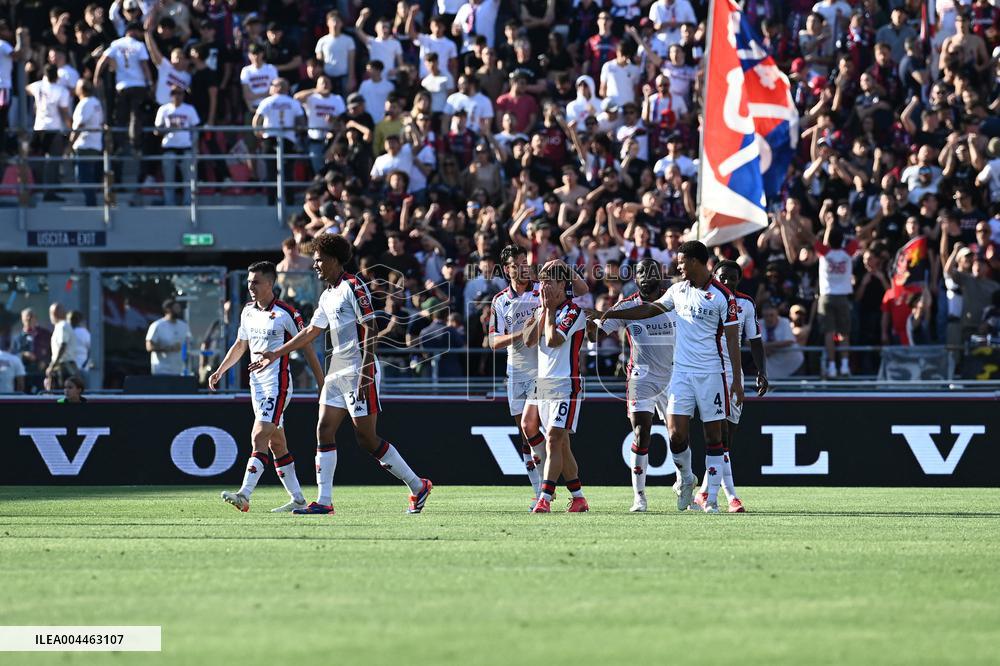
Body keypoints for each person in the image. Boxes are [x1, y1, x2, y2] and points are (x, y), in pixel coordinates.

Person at [248, 233, 433, 515]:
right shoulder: (327, 294)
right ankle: (324, 501)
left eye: (319, 260)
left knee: (367, 439)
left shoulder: (353, 286)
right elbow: (310, 332)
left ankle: (418, 486)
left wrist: (365, 373)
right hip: (338, 368)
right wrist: (276, 352)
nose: (316, 266)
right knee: (323, 429)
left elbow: (371, 328)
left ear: (334, 260)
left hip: (360, 367)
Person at [590, 240, 744, 514]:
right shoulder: (675, 292)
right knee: (673, 435)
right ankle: (678, 482)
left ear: (696, 261)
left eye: (682, 261)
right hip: (669, 375)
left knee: (714, 436)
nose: (678, 266)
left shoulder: (722, 297)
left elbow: (733, 341)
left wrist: (736, 381)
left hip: (708, 373)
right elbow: (647, 310)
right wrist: (605, 314)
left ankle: (709, 499)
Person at [211, 261, 325, 513]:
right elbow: (241, 345)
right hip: (257, 387)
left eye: (256, 282)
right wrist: (221, 369)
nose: (250, 286)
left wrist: (320, 381)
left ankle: (244, 494)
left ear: (270, 283)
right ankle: (298, 499)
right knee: (277, 444)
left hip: (277, 385)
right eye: (249, 281)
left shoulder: (286, 313)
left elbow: (306, 345)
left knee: (258, 435)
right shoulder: (248, 311)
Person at [588, 258, 675, 512]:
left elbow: (649, 311)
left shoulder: (674, 300)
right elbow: (597, 334)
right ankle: (639, 496)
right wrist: (579, 317)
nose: (646, 276)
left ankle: (685, 484)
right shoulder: (626, 304)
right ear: (634, 279)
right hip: (642, 375)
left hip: (673, 374)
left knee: (678, 435)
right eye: (641, 272)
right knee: (641, 431)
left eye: (651, 271)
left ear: (661, 275)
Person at [692, 260, 768, 514]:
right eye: (723, 277)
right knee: (720, 438)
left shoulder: (745, 303)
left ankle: (703, 492)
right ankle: (731, 497)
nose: (727, 282)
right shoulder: (703, 298)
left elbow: (755, 340)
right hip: (710, 372)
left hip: (735, 375)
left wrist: (761, 372)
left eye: (732, 279)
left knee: (727, 441)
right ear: (714, 275)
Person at [524, 261, 590, 513]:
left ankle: (545, 497)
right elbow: (530, 341)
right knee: (561, 444)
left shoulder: (574, 312)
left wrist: (549, 311)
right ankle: (579, 497)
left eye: (549, 281)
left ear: (563, 284)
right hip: (543, 383)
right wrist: (541, 312)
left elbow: (552, 341)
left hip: (566, 385)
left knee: (553, 439)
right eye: (542, 282)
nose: (544, 286)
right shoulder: (542, 309)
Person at [488, 245, 545, 505]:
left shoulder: (542, 291)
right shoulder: (500, 300)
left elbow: (579, 294)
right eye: (518, 263)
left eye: (526, 261)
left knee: (546, 430)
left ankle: (551, 486)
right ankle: (540, 492)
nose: (524, 267)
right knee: (525, 435)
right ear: (507, 269)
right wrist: (520, 335)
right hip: (517, 371)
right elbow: (493, 341)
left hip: (544, 370)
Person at [94, 21, 154, 152]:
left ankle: (119, 145)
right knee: (135, 115)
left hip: (122, 86)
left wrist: (96, 77)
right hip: (138, 85)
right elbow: (144, 66)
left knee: (120, 116)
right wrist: (150, 83)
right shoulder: (139, 45)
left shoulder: (116, 44)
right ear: (133, 31)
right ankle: (134, 144)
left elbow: (102, 61)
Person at [252, 78, 304, 205]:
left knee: (271, 171)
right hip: (288, 139)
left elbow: (256, 120)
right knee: (288, 172)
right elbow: (301, 122)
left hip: (270, 138)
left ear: (277, 87)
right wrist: (294, 131)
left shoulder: (267, 102)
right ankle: (289, 201)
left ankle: (271, 202)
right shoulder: (293, 103)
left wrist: (258, 132)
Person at [25, 63, 71, 199]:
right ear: (57, 75)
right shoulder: (61, 90)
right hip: (53, 129)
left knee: (37, 159)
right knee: (53, 161)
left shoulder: (38, 85)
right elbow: (63, 111)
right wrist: (70, 127)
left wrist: (27, 73)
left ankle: (37, 187)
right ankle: (49, 192)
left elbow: (26, 89)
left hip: (38, 128)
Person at [154, 87, 200, 206]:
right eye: (174, 93)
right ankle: (169, 203)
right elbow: (156, 130)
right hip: (169, 147)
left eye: (179, 93)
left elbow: (195, 130)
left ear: (183, 95)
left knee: (188, 179)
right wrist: (169, 129)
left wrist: (194, 147)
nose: (177, 96)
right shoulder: (164, 109)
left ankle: (188, 203)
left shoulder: (189, 109)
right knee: (169, 179)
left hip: (186, 147)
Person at [69, 79, 104, 207]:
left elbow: (80, 125)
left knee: (84, 178)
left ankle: (91, 204)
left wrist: (70, 144)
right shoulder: (96, 103)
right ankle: (91, 202)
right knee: (89, 177)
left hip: (85, 145)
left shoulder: (85, 103)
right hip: (95, 144)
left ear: (82, 89)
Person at [145, 298, 191, 375]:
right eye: (176, 308)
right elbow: (149, 347)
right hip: (161, 371)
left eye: (179, 308)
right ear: (168, 309)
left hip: (178, 371)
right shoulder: (157, 325)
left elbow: (189, 343)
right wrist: (168, 348)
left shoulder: (184, 326)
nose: (178, 310)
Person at [761, 304, 804, 378]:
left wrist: (765, 346)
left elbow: (788, 341)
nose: (769, 318)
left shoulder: (785, 322)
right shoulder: (759, 323)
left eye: (771, 315)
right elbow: (748, 341)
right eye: (766, 316)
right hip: (772, 367)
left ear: (777, 314)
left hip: (793, 364)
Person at [47, 303, 80, 391]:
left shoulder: (62, 326)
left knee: (63, 394)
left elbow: (62, 345)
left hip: (65, 367)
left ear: (54, 313)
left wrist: (52, 365)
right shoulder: (60, 326)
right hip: (64, 365)